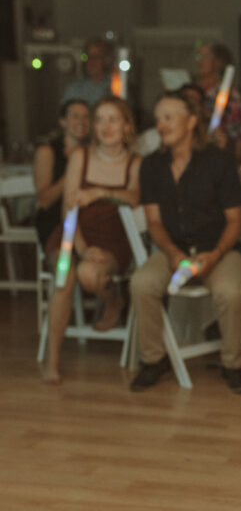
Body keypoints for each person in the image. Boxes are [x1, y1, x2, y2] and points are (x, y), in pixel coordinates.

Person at [129, 90, 241, 394]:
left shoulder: (219, 161)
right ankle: (154, 359)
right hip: (173, 248)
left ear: (191, 121)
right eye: (158, 119)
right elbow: (154, 222)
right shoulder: (152, 165)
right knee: (142, 283)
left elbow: (235, 221)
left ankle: (232, 363)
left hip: (219, 249)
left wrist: (215, 254)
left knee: (231, 291)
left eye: (169, 117)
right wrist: (171, 252)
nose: (161, 125)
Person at [42, 97, 141, 384]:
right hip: (72, 235)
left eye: (113, 119)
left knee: (88, 274)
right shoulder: (80, 157)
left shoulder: (136, 163)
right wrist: (81, 248)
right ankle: (53, 360)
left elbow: (134, 198)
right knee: (63, 275)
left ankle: (113, 299)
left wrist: (97, 193)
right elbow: (67, 209)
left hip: (113, 240)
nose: (105, 126)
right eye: (100, 120)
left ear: (126, 126)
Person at [33, 99, 91, 253]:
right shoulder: (47, 151)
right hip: (54, 219)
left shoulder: (93, 151)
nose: (81, 121)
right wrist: (72, 172)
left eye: (86, 117)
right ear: (63, 121)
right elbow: (44, 201)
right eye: (75, 116)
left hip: (85, 219)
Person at [194, 42, 241, 163]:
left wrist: (235, 161)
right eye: (198, 56)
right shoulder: (190, 90)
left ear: (217, 62)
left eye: (206, 56)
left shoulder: (229, 94)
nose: (200, 61)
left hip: (217, 153)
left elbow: (239, 131)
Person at [60, 36, 113, 107]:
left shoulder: (114, 86)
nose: (92, 61)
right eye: (88, 56)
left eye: (97, 56)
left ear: (106, 60)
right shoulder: (74, 88)